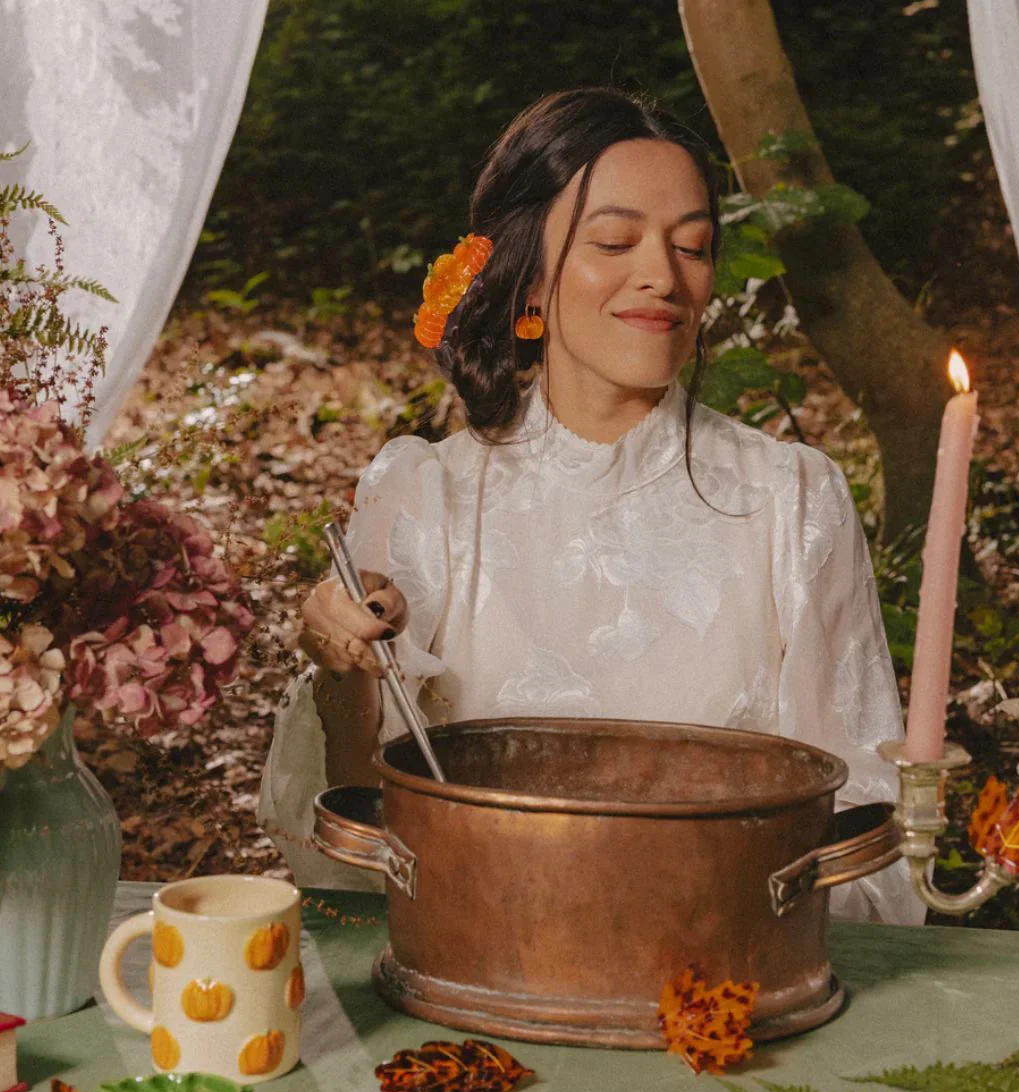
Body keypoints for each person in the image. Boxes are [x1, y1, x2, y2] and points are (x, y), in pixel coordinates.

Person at [259, 86, 925, 925]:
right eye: (615, 240)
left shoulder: (792, 502)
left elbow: (864, 823)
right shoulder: (427, 495)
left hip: (723, 987)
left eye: (693, 246)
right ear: (529, 283)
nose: (662, 276)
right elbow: (366, 835)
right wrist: (341, 667)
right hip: (483, 971)